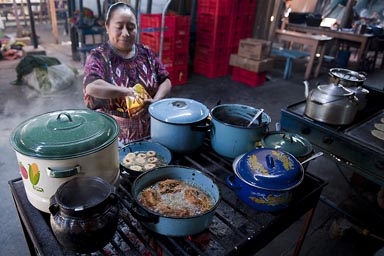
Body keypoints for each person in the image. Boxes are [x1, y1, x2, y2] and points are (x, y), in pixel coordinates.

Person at [83, 2, 172, 145]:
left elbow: (165, 80)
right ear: (107, 27)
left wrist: (155, 101)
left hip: (151, 134)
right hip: (114, 139)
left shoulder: (147, 54)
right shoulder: (99, 57)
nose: (125, 33)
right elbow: (92, 87)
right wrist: (127, 92)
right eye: (119, 27)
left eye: (131, 27)